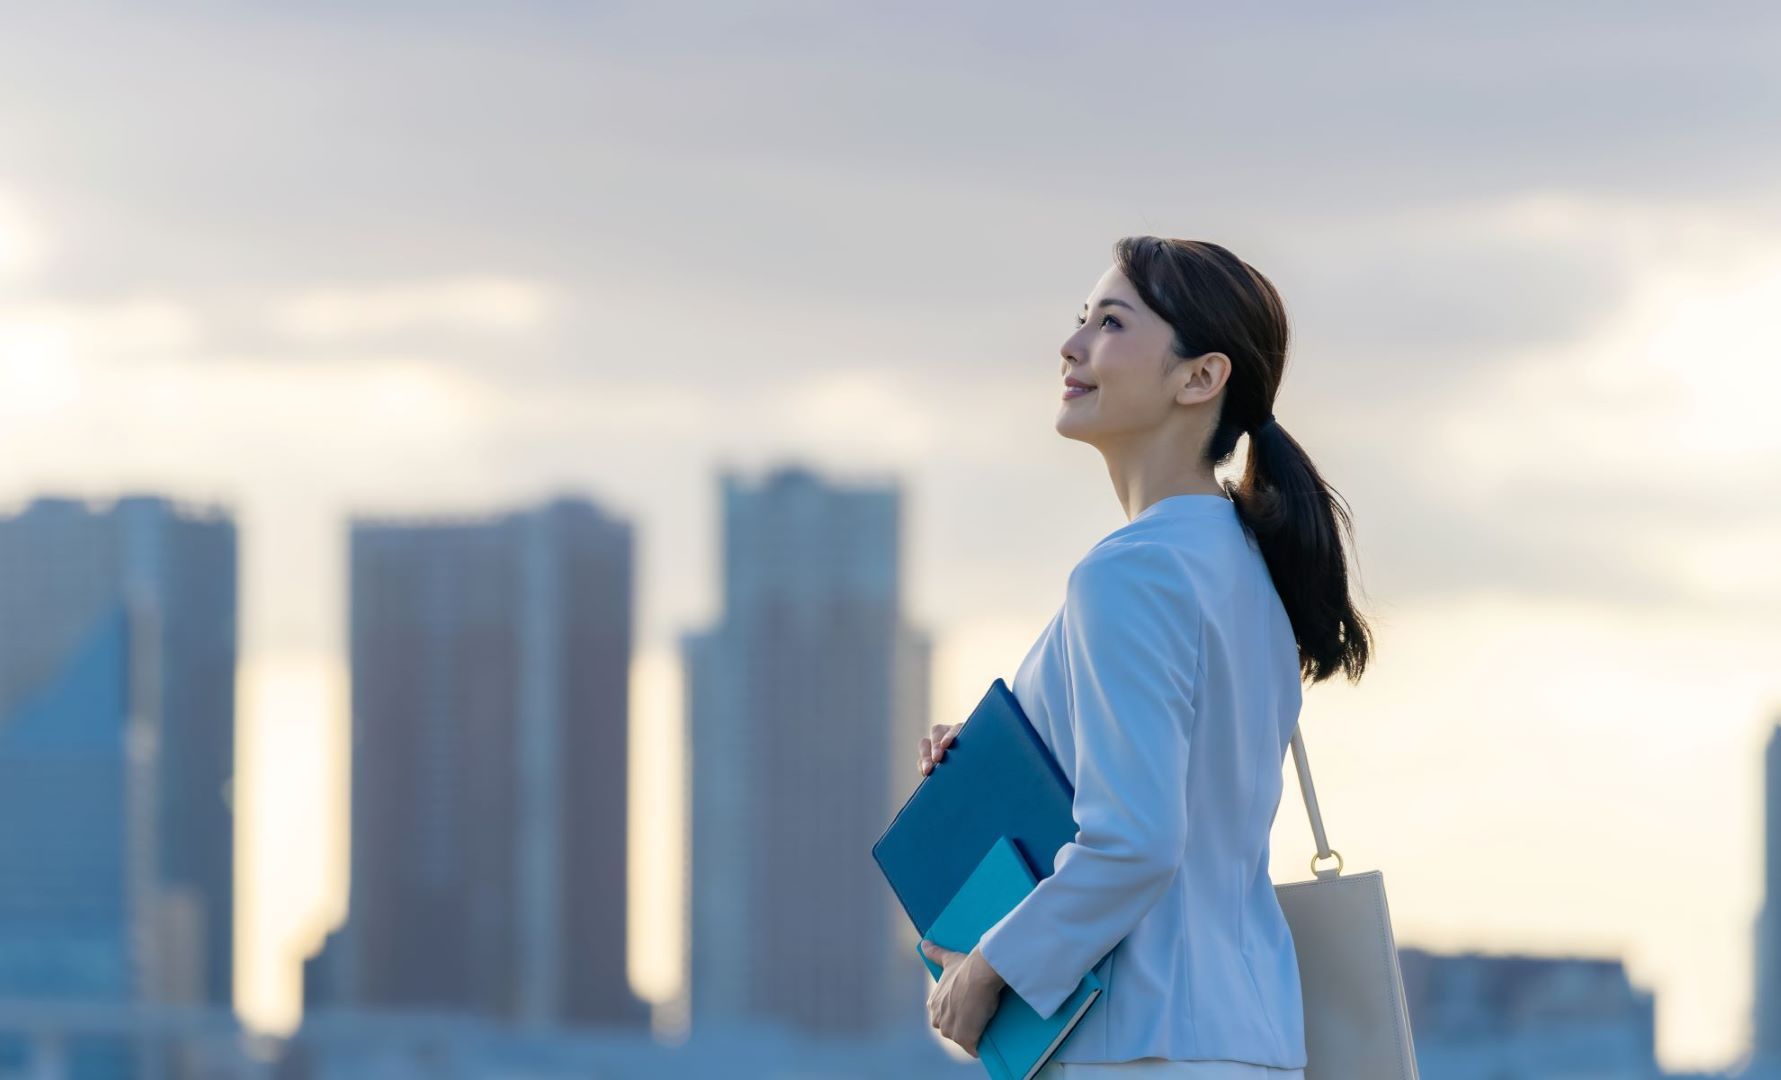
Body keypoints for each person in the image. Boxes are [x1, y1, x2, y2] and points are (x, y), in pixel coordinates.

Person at [916, 237, 1373, 1077]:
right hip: (1242, 1042)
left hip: (1139, 1044)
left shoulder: (1130, 571)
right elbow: (1179, 806)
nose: (1073, 344)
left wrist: (988, 970)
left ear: (1199, 377)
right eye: (1080, 320)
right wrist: (997, 766)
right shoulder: (1242, 566)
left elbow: (1136, 843)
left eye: (1111, 323)